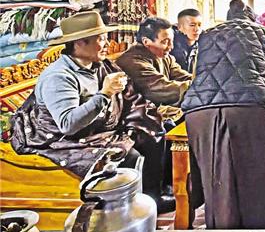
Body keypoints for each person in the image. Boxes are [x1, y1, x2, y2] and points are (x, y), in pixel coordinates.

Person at [10, 11, 173, 212]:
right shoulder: (59, 77)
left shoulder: (99, 65)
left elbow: (129, 99)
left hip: (96, 128)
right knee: (128, 155)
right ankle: (129, 211)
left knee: (155, 128)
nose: (107, 44)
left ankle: (154, 196)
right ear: (79, 43)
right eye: (101, 39)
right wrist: (105, 93)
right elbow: (68, 124)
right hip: (63, 139)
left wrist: (144, 116)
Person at [181, 0, 265, 229]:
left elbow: (195, 75)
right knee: (256, 180)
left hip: (200, 113)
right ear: (251, 19)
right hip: (248, 110)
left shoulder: (206, 35)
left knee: (216, 180)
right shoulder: (263, 33)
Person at [116, 17, 192, 124]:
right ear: (146, 42)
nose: (171, 47)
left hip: (158, 112)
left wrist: (204, 81)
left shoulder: (165, 57)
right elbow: (164, 89)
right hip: (138, 118)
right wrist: (201, 87)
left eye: (171, 41)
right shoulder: (132, 62)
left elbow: (182, 76)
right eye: (165, 42)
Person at [170, 8, 202, 73]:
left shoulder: (205, 43)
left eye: (199, 25)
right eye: (192, 25)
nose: (197, 29)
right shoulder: (171, 45)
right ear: (179, 27)